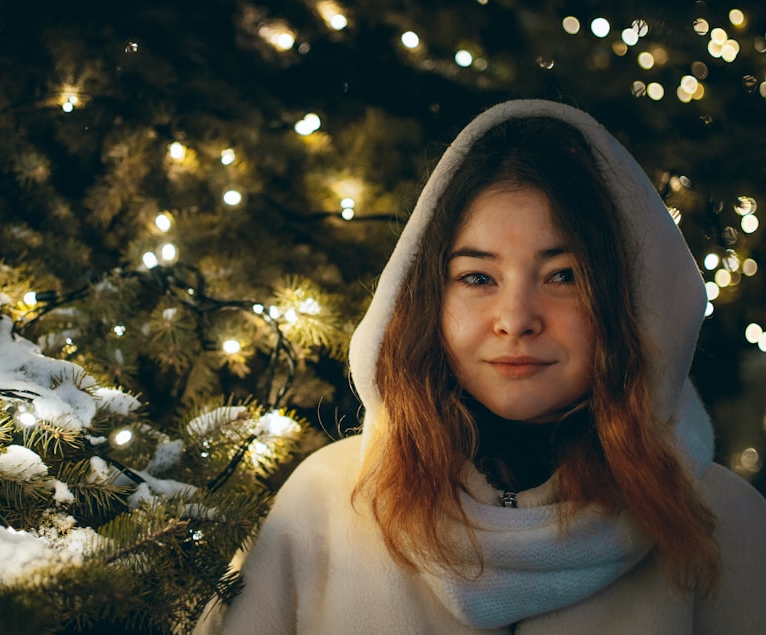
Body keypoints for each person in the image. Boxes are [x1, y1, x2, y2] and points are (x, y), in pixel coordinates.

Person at [205, 99, 766, 634]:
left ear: (627, 302)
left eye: (563, 276)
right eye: (478, 277)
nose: (516, 319)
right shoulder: (325, 505)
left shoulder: (721, 521)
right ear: (428, 298)